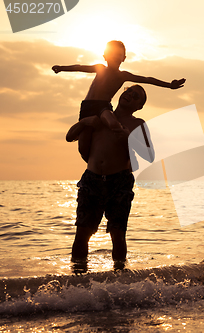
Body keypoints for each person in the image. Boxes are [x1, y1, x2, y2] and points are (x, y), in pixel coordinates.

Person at [53, 40, 185, 160]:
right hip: (87, 107)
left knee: (112, 123)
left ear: (124, 58)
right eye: (112, 53)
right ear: (105, 56)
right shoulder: (99, 68)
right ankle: (96, 164)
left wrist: (169, 85)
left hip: (102, 107)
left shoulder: (122, 76)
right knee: (83, 148)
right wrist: (61, 68)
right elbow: (79, 67)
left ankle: (125, 148)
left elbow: (147, 79)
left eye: (118, 54)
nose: (115, 56)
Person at [66, 85, 151, 267]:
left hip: (120, 181)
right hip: (92, 179)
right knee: (82, 233)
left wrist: (130, 137)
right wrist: (85, 122)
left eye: (136, 96)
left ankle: (119, 280)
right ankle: (77, 282)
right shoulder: (100, 116)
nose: (130, 95)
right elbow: (69, 136)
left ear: (139, 106)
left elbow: (149, 155)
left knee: (117, 235)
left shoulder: (138, 124)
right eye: (128, 91)